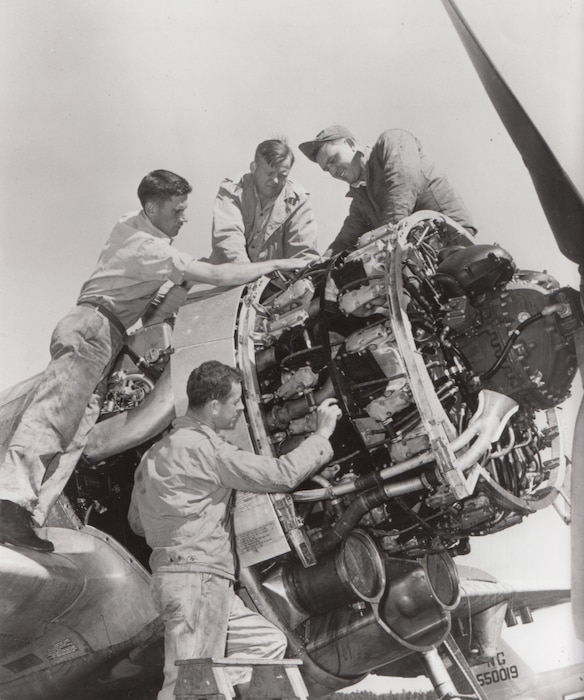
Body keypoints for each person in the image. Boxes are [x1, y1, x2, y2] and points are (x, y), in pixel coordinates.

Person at [0, 170, 306, 553]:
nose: (184, 218)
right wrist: (277, 264)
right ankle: (10, 501)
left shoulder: (130, 226)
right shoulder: (149, 249)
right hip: (93, 329)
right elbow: (213, 272)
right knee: (55, 416)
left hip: (106, 338)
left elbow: (181, 283)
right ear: (152, 207)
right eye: (178, 210)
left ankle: (31, 517)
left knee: (77, 435)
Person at [128, 360, 341, 700]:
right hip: (197, 579)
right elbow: (282, 474)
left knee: (266, 643)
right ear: (213, 406)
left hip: (186, 581)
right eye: (235, 401)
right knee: (186, 684)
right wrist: (321, 435)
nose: (241, 408)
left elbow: (137, 523)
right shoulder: (207, 450)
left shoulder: (153, 455)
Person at [299, 125, 477, 256]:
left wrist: (386, 239)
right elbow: (344, 241)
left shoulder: (391, 142)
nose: (332, 171)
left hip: (451, 237)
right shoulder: (360, 202)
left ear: (351, 144)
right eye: (326, 169)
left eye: (333, 159)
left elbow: (402, 188)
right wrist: (320, 267)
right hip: (417, 252)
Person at [209, 139, 320, 264]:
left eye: (282, 175)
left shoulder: (299, 200)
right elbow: (228, 239)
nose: (275, 181)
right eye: (269, 173)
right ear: (253, 167)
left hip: (276, 281)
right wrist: (248, 277)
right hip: (230, 276)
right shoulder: (232, 190)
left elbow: (303, 253)